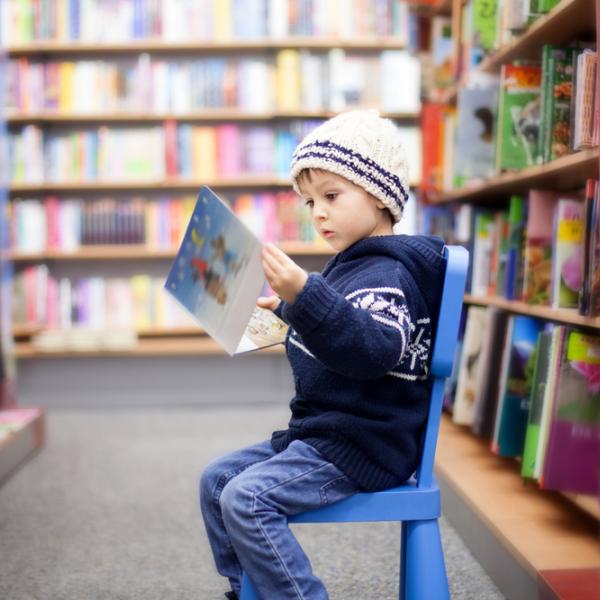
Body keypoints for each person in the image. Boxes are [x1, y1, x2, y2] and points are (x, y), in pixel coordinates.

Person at [200, 110, 447, 600]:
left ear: (380, 195)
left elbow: (373, 349)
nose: (318, 213)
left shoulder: (389, 274)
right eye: (310, 201)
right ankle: (247, 590)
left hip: (362, 444)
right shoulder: (351, 268)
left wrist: (307, 295)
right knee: (217, 480)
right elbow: (338, 333)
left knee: (246, 499)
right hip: (321, 434)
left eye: (332, 196)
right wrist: (288, 312)